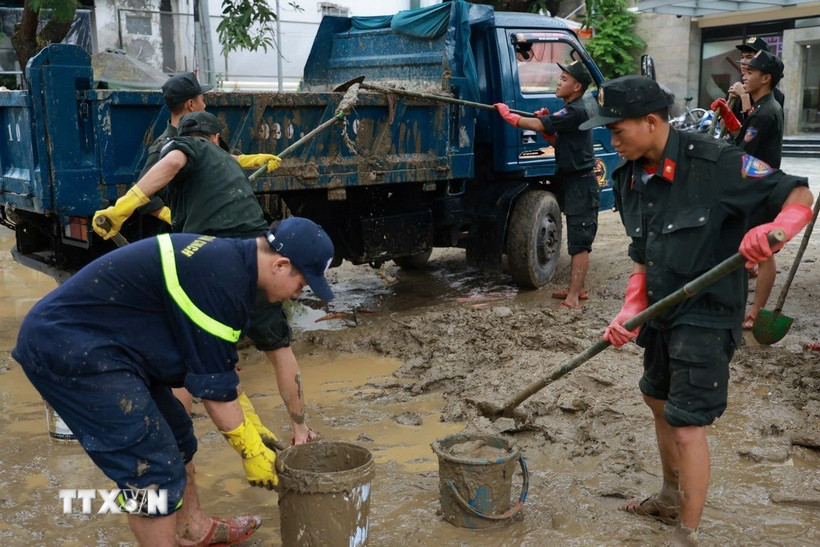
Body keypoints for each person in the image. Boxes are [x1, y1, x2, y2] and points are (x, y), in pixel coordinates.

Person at [580, 75, 813, 545]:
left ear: (650, 121)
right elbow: (642, 255)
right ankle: (669, 497)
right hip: (662, 309)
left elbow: (798, 196)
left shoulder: (716, 162)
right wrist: (630, 308)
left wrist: (774, 232)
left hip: (707, 313)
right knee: (657, 401)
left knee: (687, 424)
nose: (611, 139)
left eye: (616, 128)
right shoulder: (629, 176)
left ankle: (687, 533)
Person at [13, 218, 335, 546]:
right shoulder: (222, 281)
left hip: (113, 347)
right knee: (151, 471)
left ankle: (192, 529)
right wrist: (249, 449)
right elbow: (215, 395)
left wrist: (250, 425)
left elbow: (217, 372)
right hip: (70, 348)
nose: (299, 293)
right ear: (281, 265)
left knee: (179, 436)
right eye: (302, 285)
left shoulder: (233, 265)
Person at [93, 111, 320, 443]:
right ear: (214, 138)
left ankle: (170, 438)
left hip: (213, 265)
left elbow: (170, 165)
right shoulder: (219, 158)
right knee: (279, 349)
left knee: (190, 356)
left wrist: (121, 207)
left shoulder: (185, 149)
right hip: (260, 262)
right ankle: (300, 430)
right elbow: (203, 160)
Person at [495, 60, 599, 309]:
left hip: (581, 184)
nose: (559, 82)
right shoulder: (574, 109)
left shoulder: (575, 110)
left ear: (577, 86)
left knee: (579, 242)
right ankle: (578, 288)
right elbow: (559, 142)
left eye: (564, 78)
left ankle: (574, 297)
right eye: (560, 77)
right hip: (575, 180)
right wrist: (549, 132)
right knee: (578, 237)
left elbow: (542, 123)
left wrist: (511, 117)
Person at [712, 50, 786, 329]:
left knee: (763, 253)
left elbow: (744, 152)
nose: (744, 75)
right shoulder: (759, 107)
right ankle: (737, 304)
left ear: (766, 78)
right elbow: (744, 138)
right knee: (744, 249)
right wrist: (731, 121)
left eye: (751, 72)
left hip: (762, 191)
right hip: (752, 189)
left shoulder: (767, 111)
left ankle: (755, 311)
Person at [725, 37, 785, 126]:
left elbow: (753, 128)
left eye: (749, 57)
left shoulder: (773, 95)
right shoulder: (737, 87)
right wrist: (729, 102)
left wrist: (744, 96)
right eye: (742, 57)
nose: (743, 62)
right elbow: (723, 125)